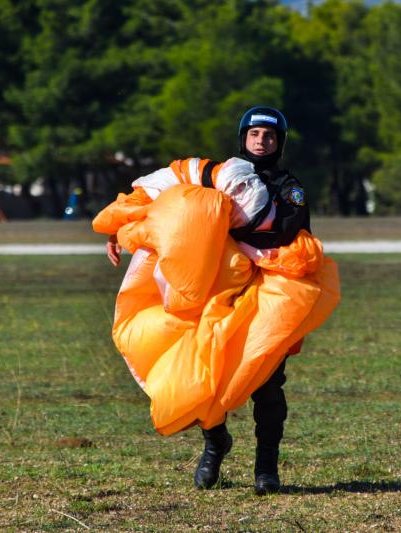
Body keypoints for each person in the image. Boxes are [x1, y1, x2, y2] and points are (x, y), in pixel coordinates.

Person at [105, 106, 310, 495]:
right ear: (243, 138)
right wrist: (121, 230)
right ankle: (215, 444)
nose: (261, 142)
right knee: (203, 374)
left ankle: (266, 467)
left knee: (266, 383)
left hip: (266, 294)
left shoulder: (289, 187)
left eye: (268, 136)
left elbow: (285, 231)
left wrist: (227, 235)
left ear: (279, 142)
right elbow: (164, 212)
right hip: (217, 294)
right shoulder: (221, 179)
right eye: (254, 136)